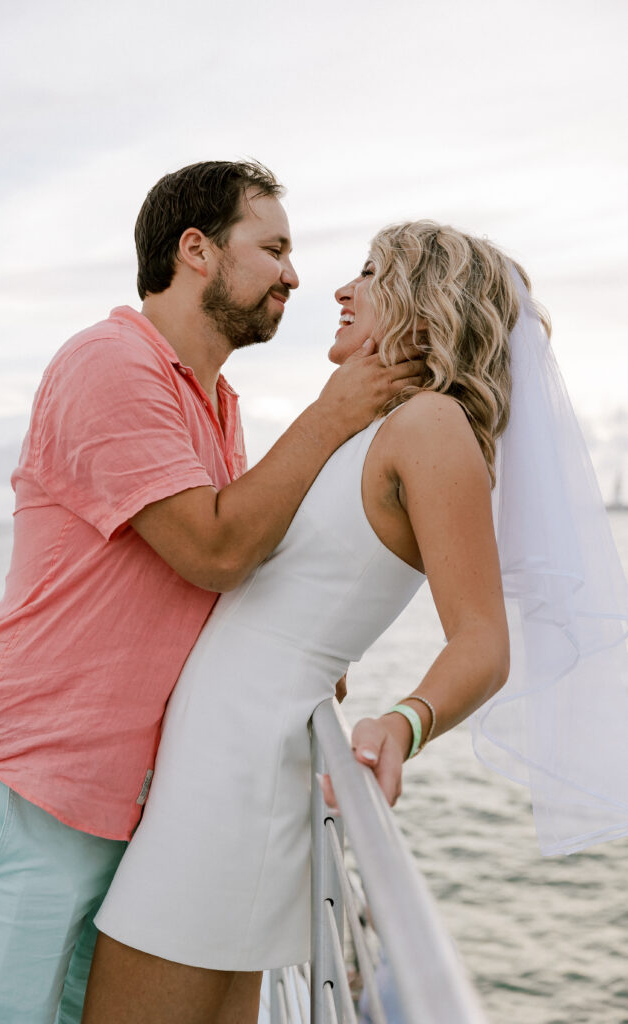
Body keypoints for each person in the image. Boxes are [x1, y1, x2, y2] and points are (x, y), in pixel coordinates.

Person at [84, 219, 628, 1024]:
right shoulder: (371, 429)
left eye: (371, 272)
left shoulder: (432, 427)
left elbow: (482, 640)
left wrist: (403, 722)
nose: (340, 289)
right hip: (216, 768)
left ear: (422, 302)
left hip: (236, 780)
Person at [0, 161, 426, 1024]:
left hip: (126, 807)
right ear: (195, 250)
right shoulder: (109, 363)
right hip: (35, 791)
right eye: (272, 247)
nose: (294, 274)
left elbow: (211, 576)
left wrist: (294, 649)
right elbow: (212, 548)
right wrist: (330, 413)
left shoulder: (216, 401)